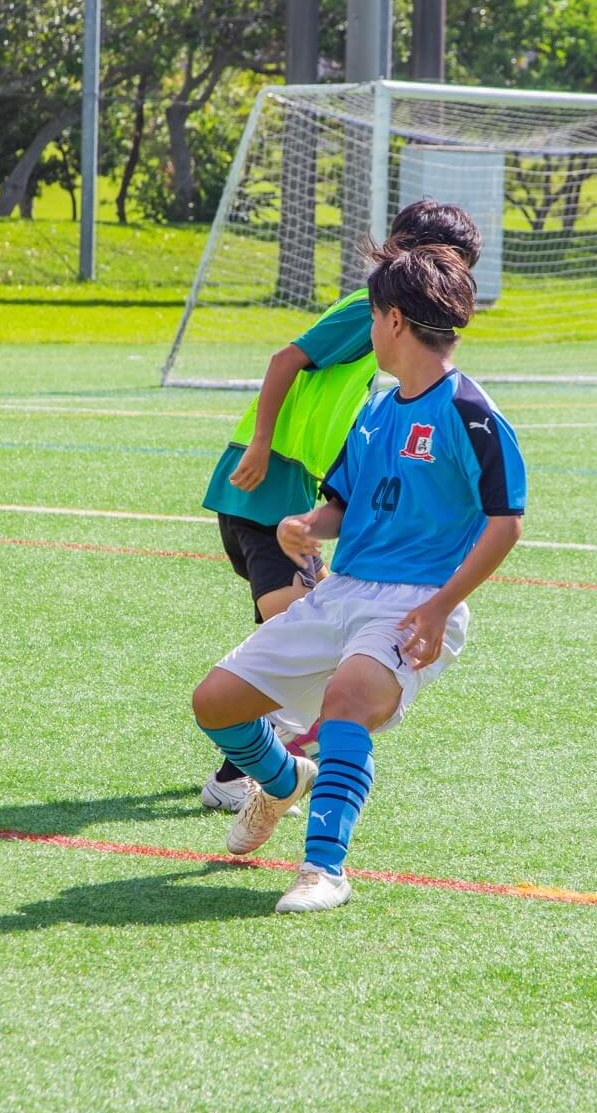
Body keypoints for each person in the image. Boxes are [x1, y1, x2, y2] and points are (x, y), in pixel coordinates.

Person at [189, 240, 526, 914]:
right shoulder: (376, 408)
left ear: (394, 320)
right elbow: (344, 502)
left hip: (415, 602)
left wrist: (441, 607)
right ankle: (282, 778)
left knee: (346, 703)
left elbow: (505, 523)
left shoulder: (470, 412)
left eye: (372, 317)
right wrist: (307, 525)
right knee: (215, 703)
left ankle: (324, 870)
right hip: (342, 589)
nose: (369, 329)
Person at [195, 200, 482, 812]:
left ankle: (259, 759)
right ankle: (247, 771)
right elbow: (285, 360)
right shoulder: (369, 310)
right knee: (303, 626)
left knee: (311, 628)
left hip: (293, 485)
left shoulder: (403, 338)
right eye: (449, 261)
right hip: (273, 482)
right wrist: (263, 444)